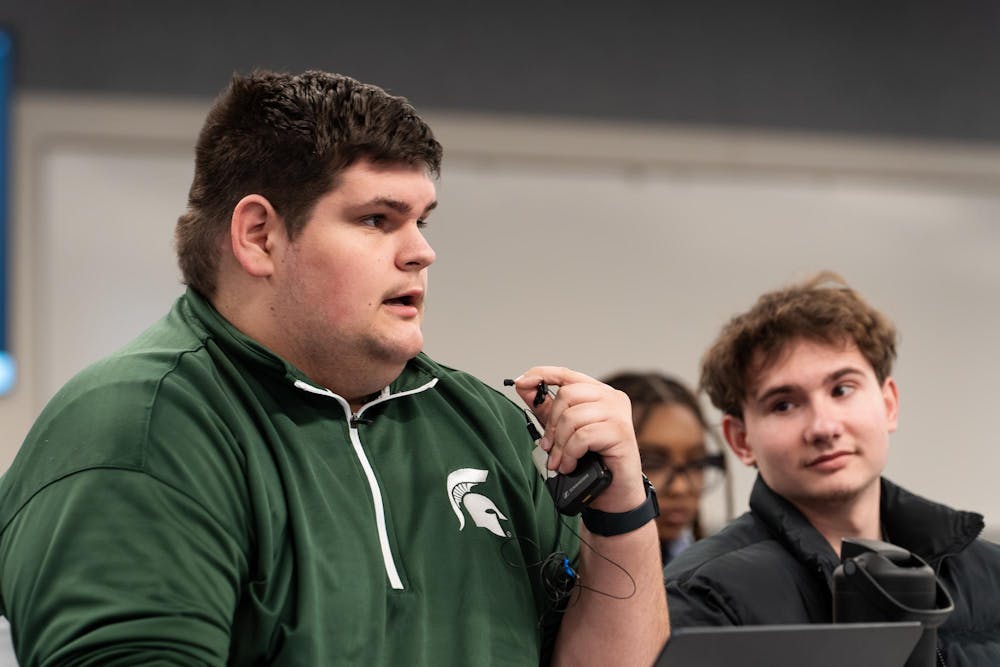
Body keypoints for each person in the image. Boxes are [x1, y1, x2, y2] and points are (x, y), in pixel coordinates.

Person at [0, 70, 668, 665]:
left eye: (422, 221)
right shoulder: (141, 426)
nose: (421, 252)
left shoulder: (485, 423)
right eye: (378, 219)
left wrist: (621, 509)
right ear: (260, 236)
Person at [662, 271, 1000, 664]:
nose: (823, 427)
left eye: (842, 389)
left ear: (888, 403)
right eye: (784, 404)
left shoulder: (991, 572)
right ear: (741, 440)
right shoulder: (700, 598)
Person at [601, 371, 728, 565]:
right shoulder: (557, 572)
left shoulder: (721, 567)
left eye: (696, 463)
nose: (680, 487)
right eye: (653, 463)